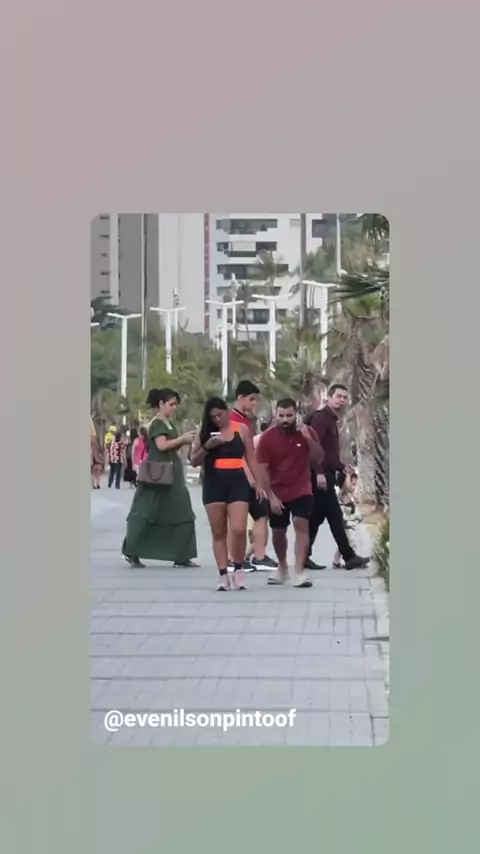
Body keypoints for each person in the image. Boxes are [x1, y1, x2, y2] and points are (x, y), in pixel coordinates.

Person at [190, 397, 266, 591]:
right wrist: (208, 446)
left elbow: (251, 458)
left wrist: (258, 483)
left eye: (220, 415)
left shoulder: (241, 429)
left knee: (239, 529)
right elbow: (193, 461)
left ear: (227, 411)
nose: (217, 419)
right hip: (213, 484)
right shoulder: (205, 433)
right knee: (219, 532)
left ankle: (238, 569)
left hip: (237, 482)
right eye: (213, 417)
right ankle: (223, 574)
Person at [121, 388, 199, 569]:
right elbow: (162, 446)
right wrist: (182, 439)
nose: (174, 408)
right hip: (157, 474)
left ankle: (182, 554)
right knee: (146, 512)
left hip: (172, 473)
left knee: (182, 512)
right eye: (171, 404)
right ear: (161, 404)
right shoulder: (157, 423)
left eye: (176, 405)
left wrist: (183, 442)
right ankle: (132, 550)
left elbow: (169, 447)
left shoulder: (168, 423)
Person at [256, 398, 324, 589]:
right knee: (278, 532)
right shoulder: (267, 438)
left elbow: (319, 457)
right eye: (281, 416)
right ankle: (283, 567)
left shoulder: (307, 432)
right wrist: (271, 496)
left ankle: (300, 571)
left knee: (301, 525)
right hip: (277, 491)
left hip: (302, 489)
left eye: (289, 415)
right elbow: (262, 470)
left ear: (296, 415)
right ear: (275, 415)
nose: (285, 420)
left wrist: (307, 437)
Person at [306, 384, 370, 571]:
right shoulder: (321, 418)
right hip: (320, 476)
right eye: (338, 396)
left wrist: (341, 467)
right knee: (334, 516)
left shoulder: (331, 419)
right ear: (329, 397)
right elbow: (313, 447)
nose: (342, 400)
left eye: (344, 397)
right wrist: (318, 472)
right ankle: (349, 556)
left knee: (316, 518)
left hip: (325, 474)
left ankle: (304, 555)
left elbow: (329, 452)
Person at [229, 380, 277, 572]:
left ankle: (258, 556)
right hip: (238, 475)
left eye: (255, 400)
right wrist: (249, 476)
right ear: (240, 398)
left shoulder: (245, 420)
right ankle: (236, 558)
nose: (254, 403)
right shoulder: (233, 419)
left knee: (260, 513)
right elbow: (237, 452)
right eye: (251, 399)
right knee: (240, 518)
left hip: (246, 474)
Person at [332, 469, 362, 567]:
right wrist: (348, 474)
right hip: (346, 522)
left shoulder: (349, 495)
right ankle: (353, 560)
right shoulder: (343, 492)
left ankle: (336, 562)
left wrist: (357, 517)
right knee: (352, 541)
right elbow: (347, 487)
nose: (354, 485)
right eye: (352, 482)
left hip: (349, 521)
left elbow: (352, 510)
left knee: (344, 543)